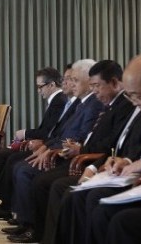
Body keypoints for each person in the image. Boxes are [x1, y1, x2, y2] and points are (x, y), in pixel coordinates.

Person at [7, 60, 134, 243]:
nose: (71, 84)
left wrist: (83, 154)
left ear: (115, 83)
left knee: (49, 183)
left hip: (89, 160)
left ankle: (43, 234)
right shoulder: (101, 104)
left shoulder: (120, 104)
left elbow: (109, 144)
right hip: (84, 157)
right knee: (25, 168)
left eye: (75, 80)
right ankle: (35, 228)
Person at [53, 55, 141, 244]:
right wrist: (122, 161)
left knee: (101, 206)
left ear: (115, 83)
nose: (133, 101)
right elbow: (120, 145)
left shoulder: (123, 105)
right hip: (119, 172)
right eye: (131, 95)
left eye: (136, 95)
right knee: (76, 194)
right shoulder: (129, 106)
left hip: (130, 179)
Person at [0, 67, 67, 214]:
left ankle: (0, 204)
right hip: (44, 145)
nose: (38, 91)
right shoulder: (57, 100)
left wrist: (25, 134)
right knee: (3, 155)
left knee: (9, 158)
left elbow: (47, 132)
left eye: (40, 87)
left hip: (51, 149)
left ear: (52, 85)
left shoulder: (59, 101)